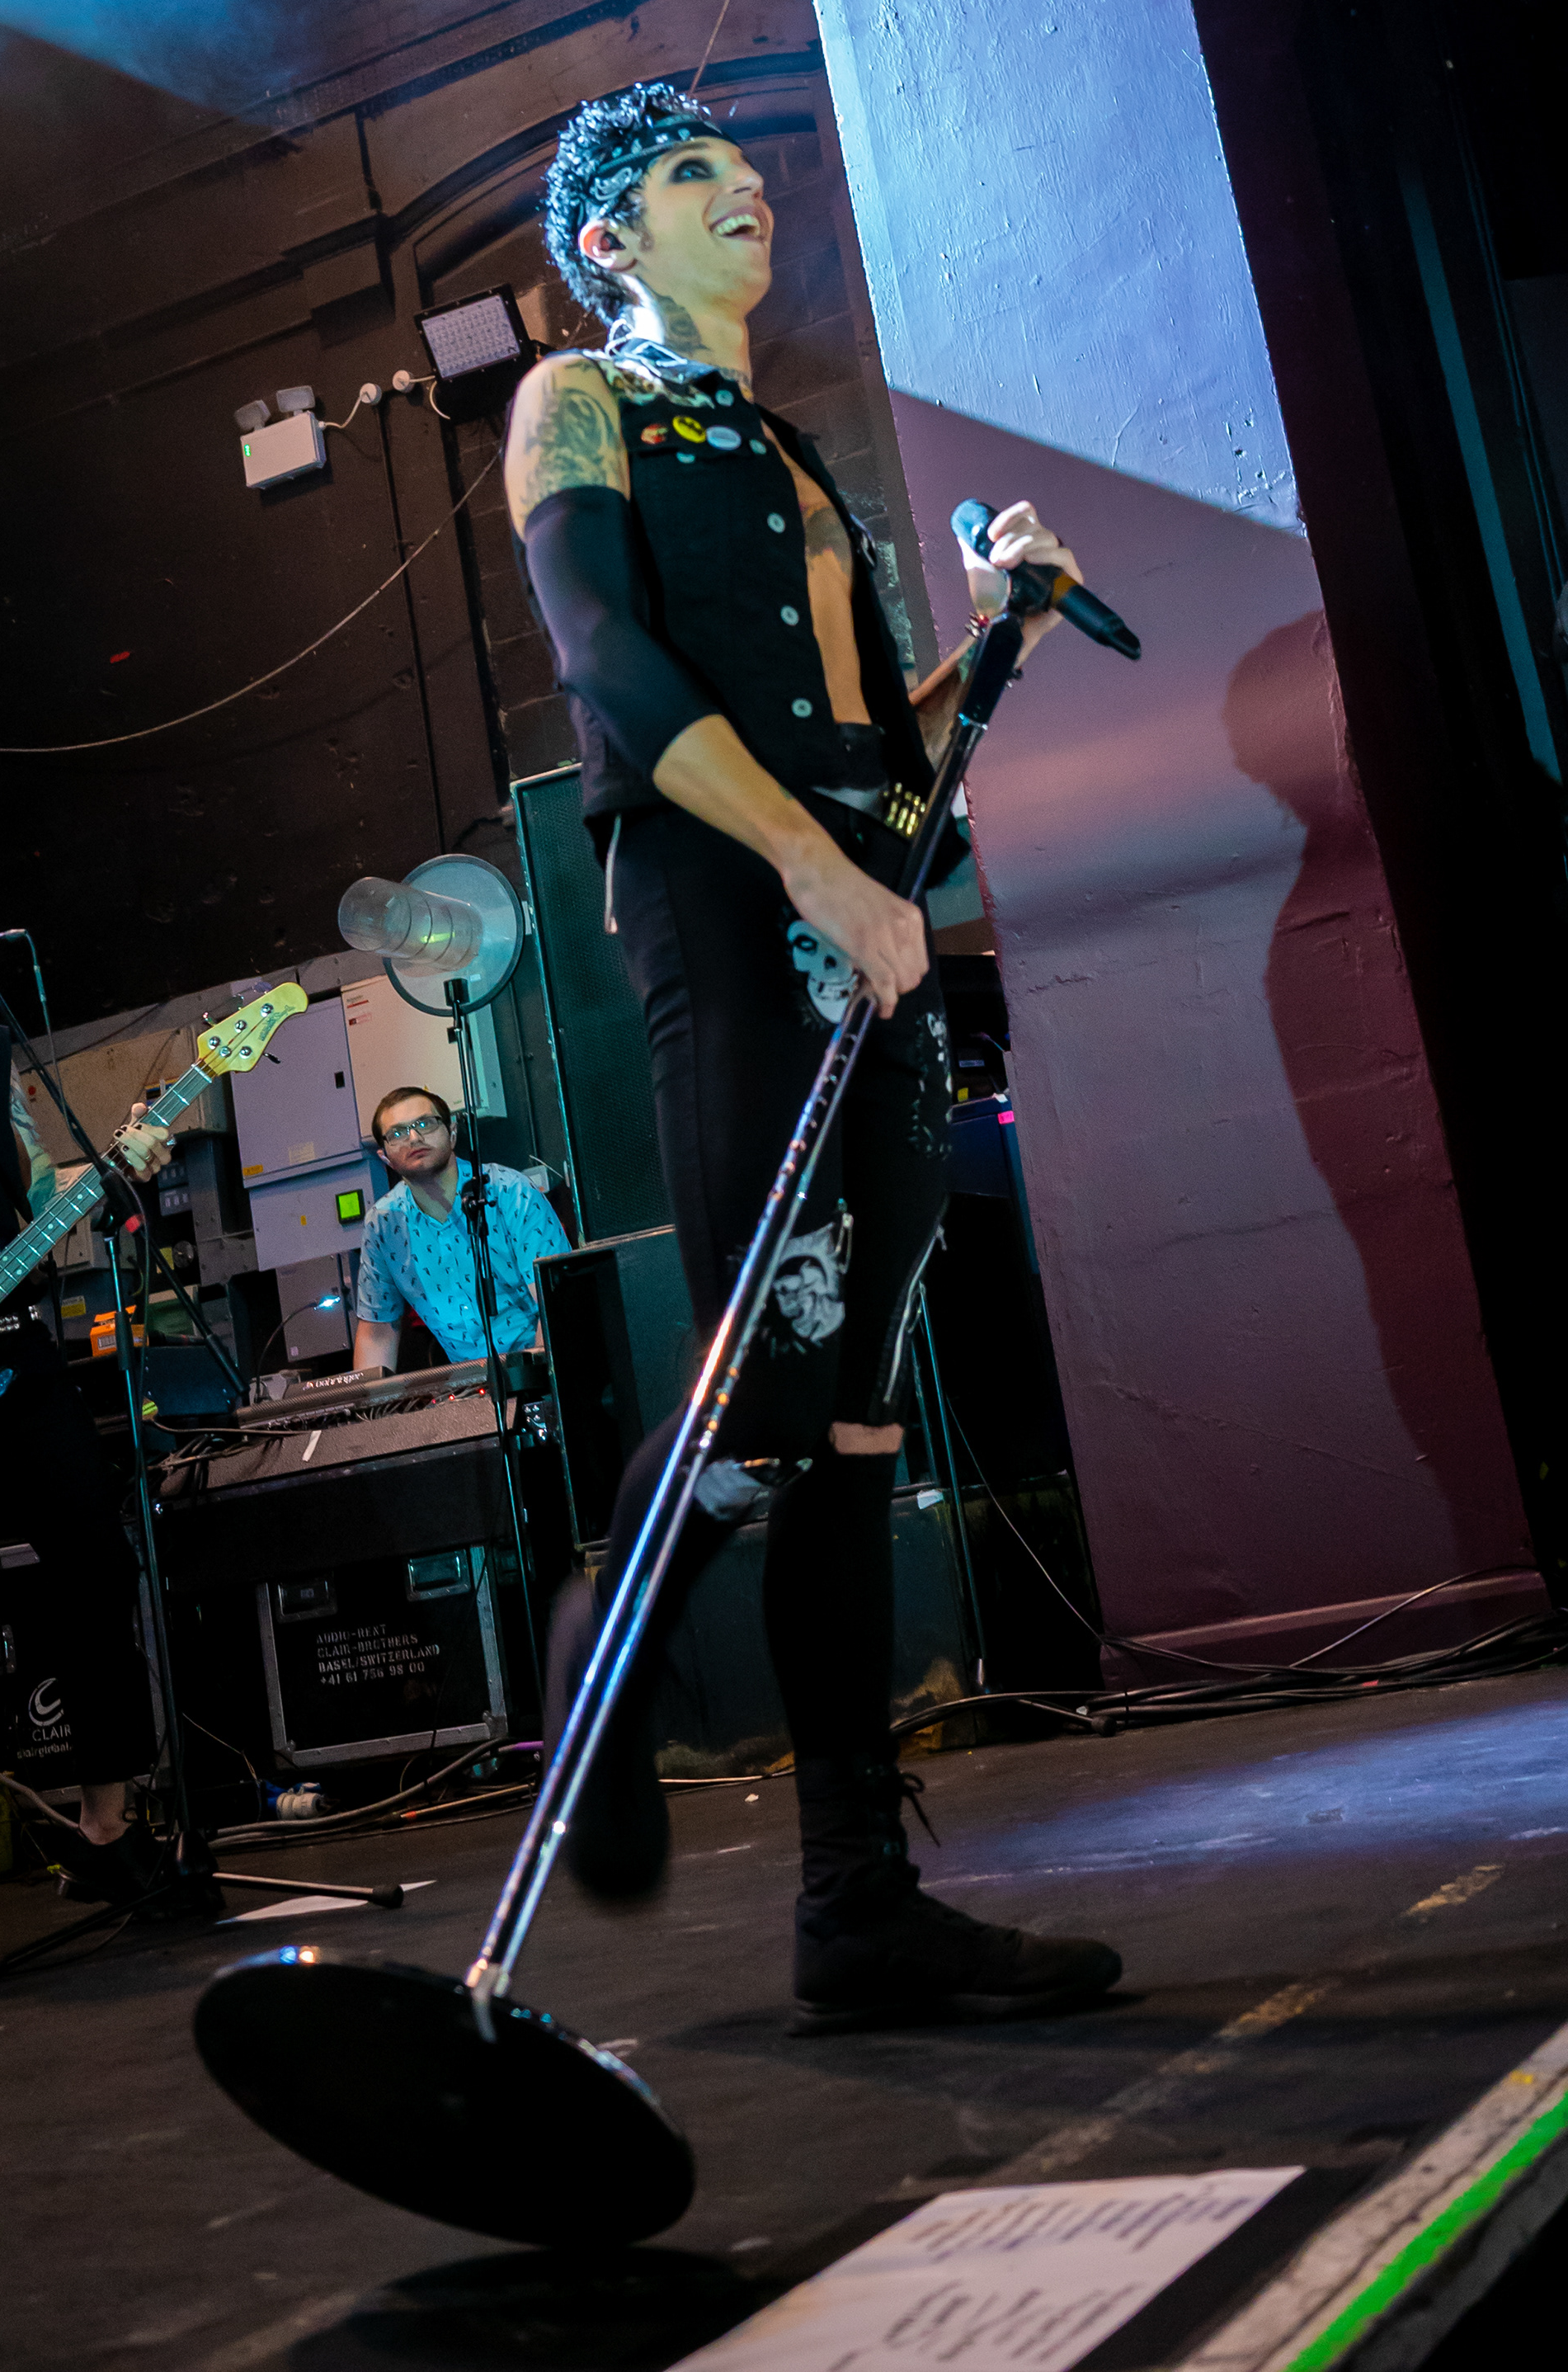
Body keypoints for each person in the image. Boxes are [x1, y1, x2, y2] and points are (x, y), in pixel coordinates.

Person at [502, 82, 1122, 2032]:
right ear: (610, 238)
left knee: (852, 1413)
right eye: (692, 174)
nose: (743, 192)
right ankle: (602, 1652)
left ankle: (857, 1904)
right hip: (735, 903)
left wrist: (993, 645)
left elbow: (883, 765)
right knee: (764, 1378)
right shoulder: (579, 403)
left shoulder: (787, 452)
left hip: (863, 917)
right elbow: (607, 662)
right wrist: (810, 869)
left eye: (746, 170)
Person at [0, 1026, 177, 1905]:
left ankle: (106, 1830)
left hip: (17, 1358)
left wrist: (112, 1169)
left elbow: (30, 1194)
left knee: (99, 1567)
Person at [351, 1087, 568, 1373]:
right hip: (469, 1384)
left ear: (452, 1132)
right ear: (385, 1157)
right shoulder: (383, 1224)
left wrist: (535, 1382)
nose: (414, 1138)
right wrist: (370, 1402)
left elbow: (555, 1302)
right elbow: (377, 1334)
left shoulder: (509, 1191)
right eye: (398, 1133)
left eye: (425, 1124)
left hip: (542, 1369)